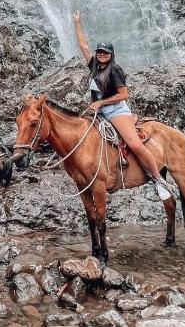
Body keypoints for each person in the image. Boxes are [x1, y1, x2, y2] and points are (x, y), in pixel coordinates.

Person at [72, 11, 172, 201]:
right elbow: (83, 45)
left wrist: (101, 102)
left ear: (111, 55)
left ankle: (159, 180)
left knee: (134, 143)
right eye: (99, 52)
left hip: (116, 110)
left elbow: (124, 94)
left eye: (105, 53)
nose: (102, 55)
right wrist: (77, 23)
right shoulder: (93, 65)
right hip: (99, 111)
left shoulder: (115, 69)